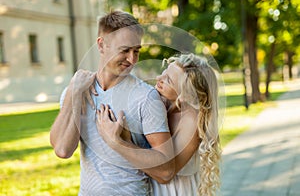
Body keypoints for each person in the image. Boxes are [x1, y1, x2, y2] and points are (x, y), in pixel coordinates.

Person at [50, 11, 175, 195]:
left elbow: (166, 171)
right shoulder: (77, 90)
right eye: (125, 50)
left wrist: (117, 142)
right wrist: (74, 94)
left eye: (136, 51)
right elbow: (62, 150)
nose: (132, 59)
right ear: (102, 45)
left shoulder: (146, 97)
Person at [97, 53, 221, 196]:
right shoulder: (161, 105)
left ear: (186, 95)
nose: (158, 79)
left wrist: (119, 141)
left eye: (168, 80)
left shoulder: (191, 121)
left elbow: (164, 174)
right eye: (164, 73)